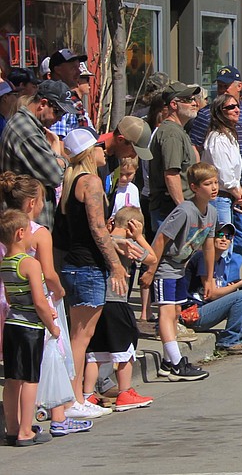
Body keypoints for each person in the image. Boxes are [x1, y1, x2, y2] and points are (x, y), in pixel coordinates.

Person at [0, 172, 91, 436]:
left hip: (8, 302)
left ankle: (15, 424)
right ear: (31, 203)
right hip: (36, 304)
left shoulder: (4, 229)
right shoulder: (37, 232)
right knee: (50, 357)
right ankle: (57, 416)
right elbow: (49, 273)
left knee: (13, 372)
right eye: (42, 200)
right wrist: (60, 291)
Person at [57, 128, 128, 416]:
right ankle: (72, 400)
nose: (104, 150)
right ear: (89, 152)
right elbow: (98, 228)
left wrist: (120, 243)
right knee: (80, 338)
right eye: (99, 145)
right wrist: (116, 265)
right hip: (88, 267)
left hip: (75, 264)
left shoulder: (72, 181)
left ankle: (74, 397)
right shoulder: (91, 183)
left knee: (78, 335)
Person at [143, 161, 218, 381]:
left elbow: (209, 245)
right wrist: (150, 270)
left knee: (176, 313)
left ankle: (167, 362)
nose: (213, 187)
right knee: (166, 313)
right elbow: (160, 240)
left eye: (215, 182)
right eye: (207, 184)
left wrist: (209, 278)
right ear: (194, 187)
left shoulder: (211, 213)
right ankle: (177, 364)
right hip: (164, 263)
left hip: (180, 267)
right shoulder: (185, 211)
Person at [81, 205, 155, 411]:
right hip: (117, 302)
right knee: (126, 349)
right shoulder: (128, 244)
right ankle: (125, 392)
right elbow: (152, 258)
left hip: (99, 302)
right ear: (135, 225)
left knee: (96, 352)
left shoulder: (103, 241)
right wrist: (139, 237)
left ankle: (87, 395)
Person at [1, 207, 61, 447]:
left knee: (12, 378)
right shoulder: (30, 264)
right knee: (30, 379)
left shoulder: (6, 263)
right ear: (20, 233)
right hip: (30, 328)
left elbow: (9, 295)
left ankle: (12, 428)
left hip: (11, 324)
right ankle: (26, 429)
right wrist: (52, 325)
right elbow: (39, 301)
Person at [187, 66, 242, 258]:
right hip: (221, 190)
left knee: (240, 238)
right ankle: (221, 279)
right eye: (219, 85)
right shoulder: (207, 118)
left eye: (226, 85)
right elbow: (197, 148)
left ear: (239, 87)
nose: (222, 89)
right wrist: (199, 180)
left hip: (241, 185)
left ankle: (230, 278)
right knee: (221, 240)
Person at [1, 79, 78, 228]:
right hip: (25, 227)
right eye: (58, 111)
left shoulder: (31, 126)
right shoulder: (27, 132)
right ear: (42, 104)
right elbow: (55, 176)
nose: (60, 118)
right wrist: (62, 160)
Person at [184, 221, 242, 354]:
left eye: (228, 237)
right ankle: (228, 341)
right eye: (220, 235)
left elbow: (216, 292)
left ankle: (240, 338)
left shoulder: (221, 260)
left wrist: (233, 287)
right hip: (193, 314)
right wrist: (239, 284)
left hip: (207, 308)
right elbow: (211, 294)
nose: (224, 239)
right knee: (241, 295)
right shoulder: (202, 257)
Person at [147, 82, 201, 233]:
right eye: (188, 100)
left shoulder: (178, 131)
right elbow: (171, 175)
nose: (194, 103)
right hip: (169, 211)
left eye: (194, 99)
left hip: (176, 209)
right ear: (174, 104)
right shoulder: (171, 134)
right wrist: (183, 210)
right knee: (172, 256)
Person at [202, 94, 242, 229]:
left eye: (237, 106)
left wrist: (239, 194)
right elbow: (224, 174)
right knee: (221, 246)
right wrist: (239, 195)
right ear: (220, 112)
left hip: (228, 197)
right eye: (231, 107)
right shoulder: (218, 139)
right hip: (219, 199)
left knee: (227, 244)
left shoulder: (229, 136)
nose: (237, 110)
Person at [46, 48, 90, 137]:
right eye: (73, 68)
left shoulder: (71, 97)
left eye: (78, 67)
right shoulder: (55, 99)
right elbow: (56, 141)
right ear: (58, 70)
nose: (79, 72)